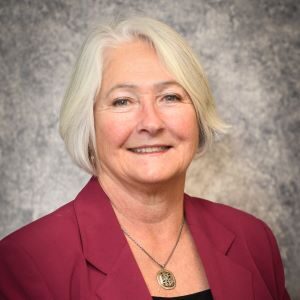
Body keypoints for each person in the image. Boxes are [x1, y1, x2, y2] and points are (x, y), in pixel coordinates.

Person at [0, 16, 290, 300]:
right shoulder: (24, 260)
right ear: (87, 123)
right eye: (123, 101)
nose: (151, 123)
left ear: (198, 115)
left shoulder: (253, 239)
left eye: (171, 97)